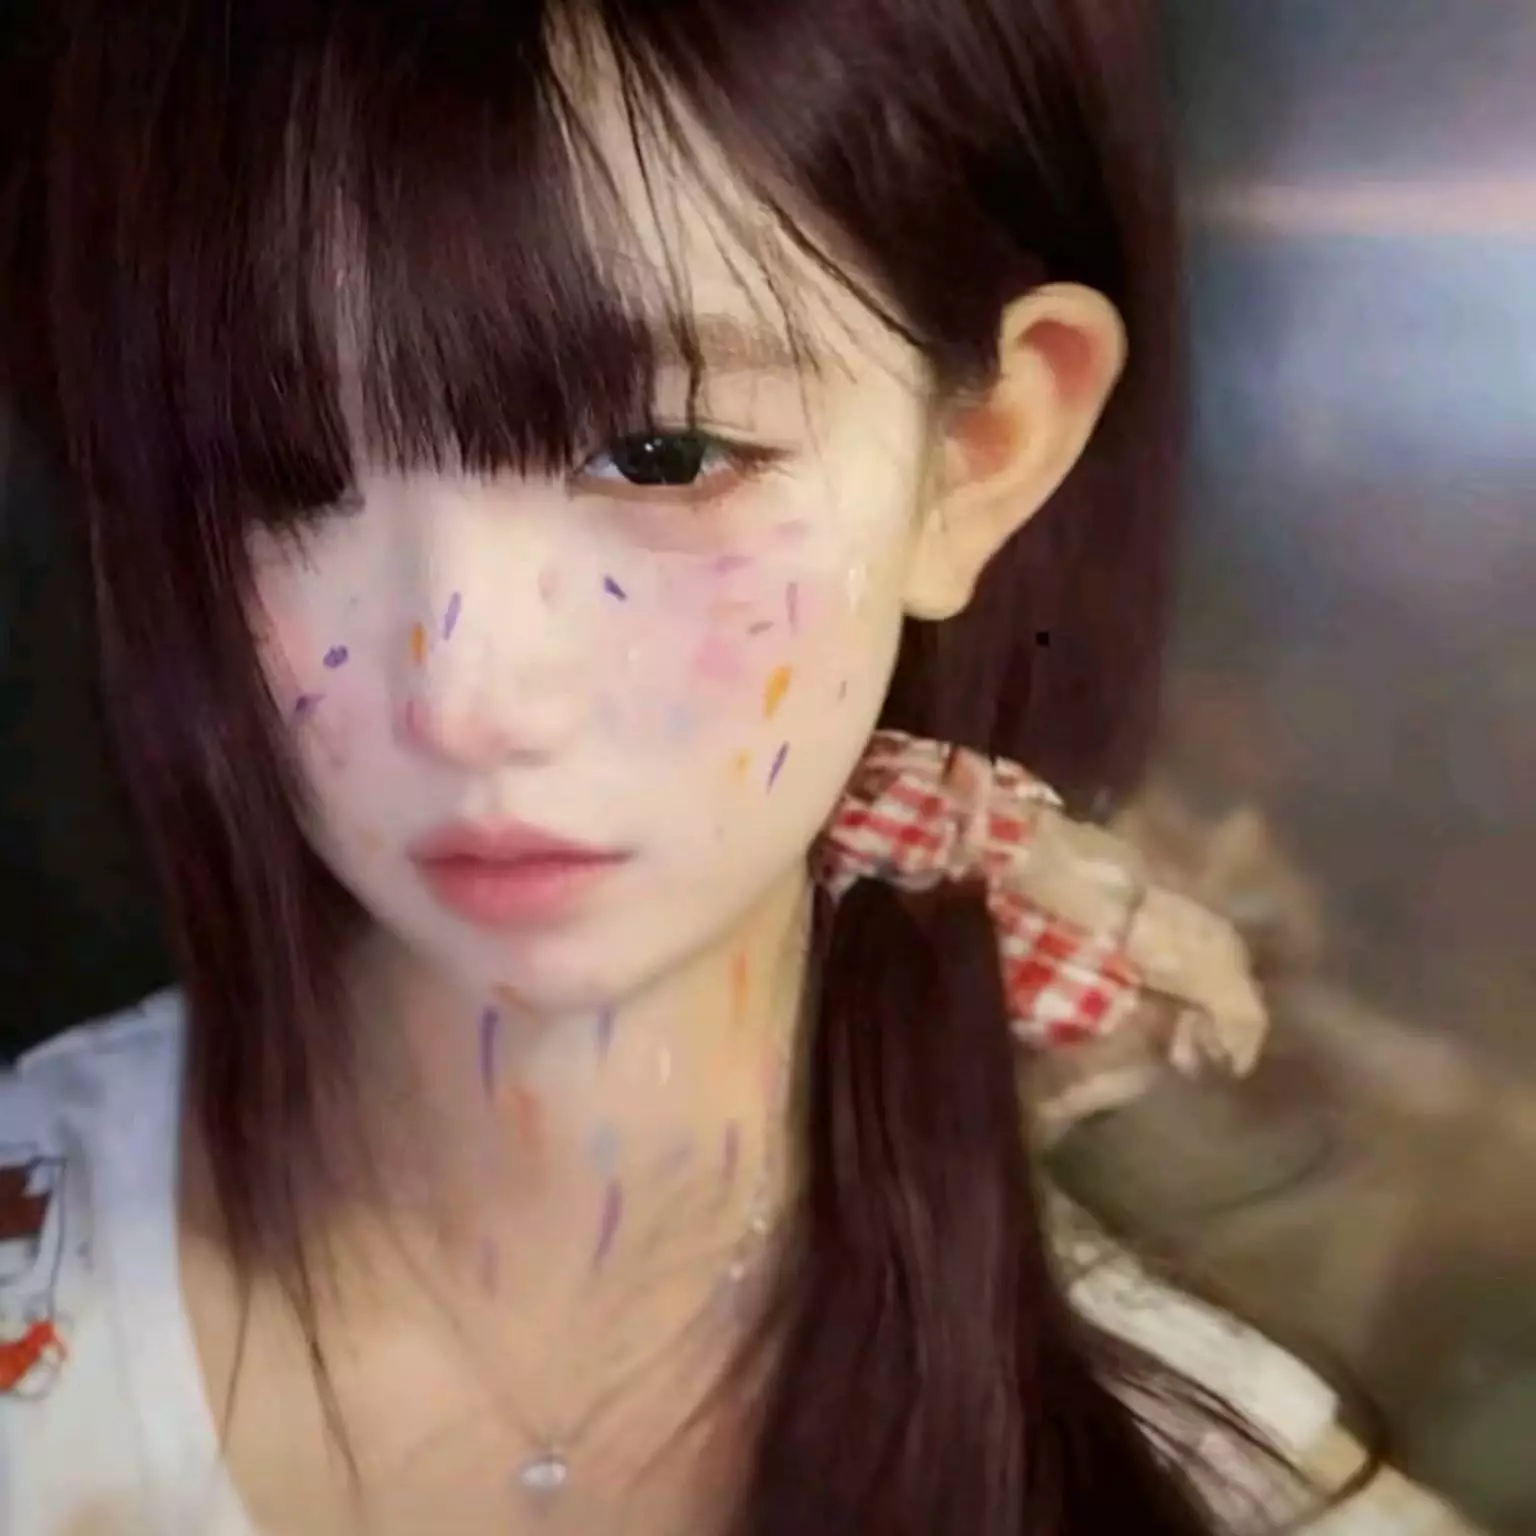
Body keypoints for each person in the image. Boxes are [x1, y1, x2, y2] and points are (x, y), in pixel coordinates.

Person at [0, 2, 1474, 1533]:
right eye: (284, 473)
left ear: (981, 452)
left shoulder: (1211, 1485)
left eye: (665, 457)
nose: (467, 695)